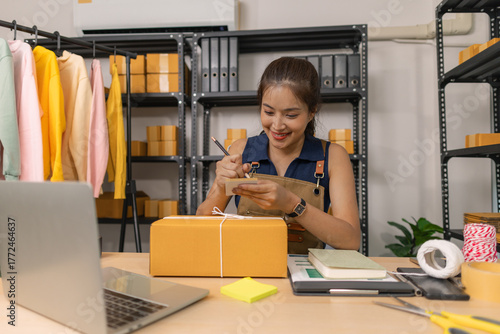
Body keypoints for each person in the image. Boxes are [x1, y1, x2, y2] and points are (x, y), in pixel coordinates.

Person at [196, 57, 360, 254]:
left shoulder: (333, 156)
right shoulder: (241, 151)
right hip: (250, 270)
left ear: (311, 112)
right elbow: (202, 225)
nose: (277, 125)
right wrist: (223, 187)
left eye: (290, 115)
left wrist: (292, 204)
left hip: (306, 275)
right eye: (269, 112)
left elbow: (350, 240)